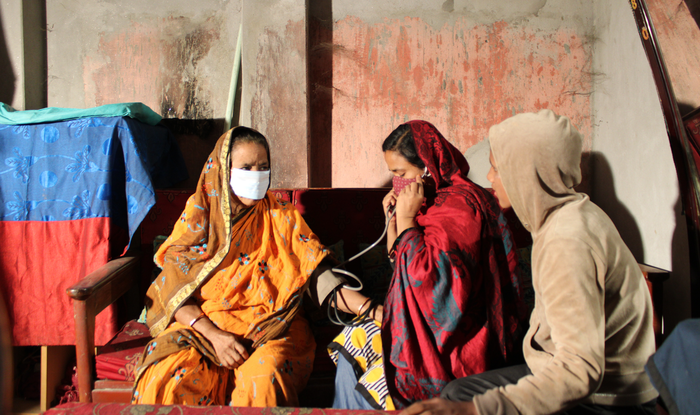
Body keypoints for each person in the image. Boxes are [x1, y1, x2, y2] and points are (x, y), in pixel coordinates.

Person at [401, 110, 659, 415]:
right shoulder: (573, 213)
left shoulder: (567, 241)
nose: (489, 178)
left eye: (497, 168)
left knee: (461, 401)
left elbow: (579, 371)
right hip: (584, 377)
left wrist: (478, 410)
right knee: (458, 391)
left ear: (526, 173)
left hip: (607, 399)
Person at [132, 126, 372, 406]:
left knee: (264, 378)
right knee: (169, 378)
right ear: (222, 170)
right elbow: (175, 292)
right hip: (205, 325)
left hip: (272, 325)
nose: (256, 176)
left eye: (263, 167)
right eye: (246, 167)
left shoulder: (282, 216)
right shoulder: (199, 220)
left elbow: (315, 274)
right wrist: (215, 336)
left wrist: (369, 308)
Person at [329, 120, 527, 410]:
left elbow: (435, 290)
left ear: (427, 167)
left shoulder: (461, 208)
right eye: (393, 175)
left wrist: (408, 222)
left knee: (374, 383)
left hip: (457, 344)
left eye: (401, 173)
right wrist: (395, 222)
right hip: (427, 329)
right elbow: (402, 266)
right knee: (354, 336)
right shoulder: (431, 203)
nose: (398, 182)